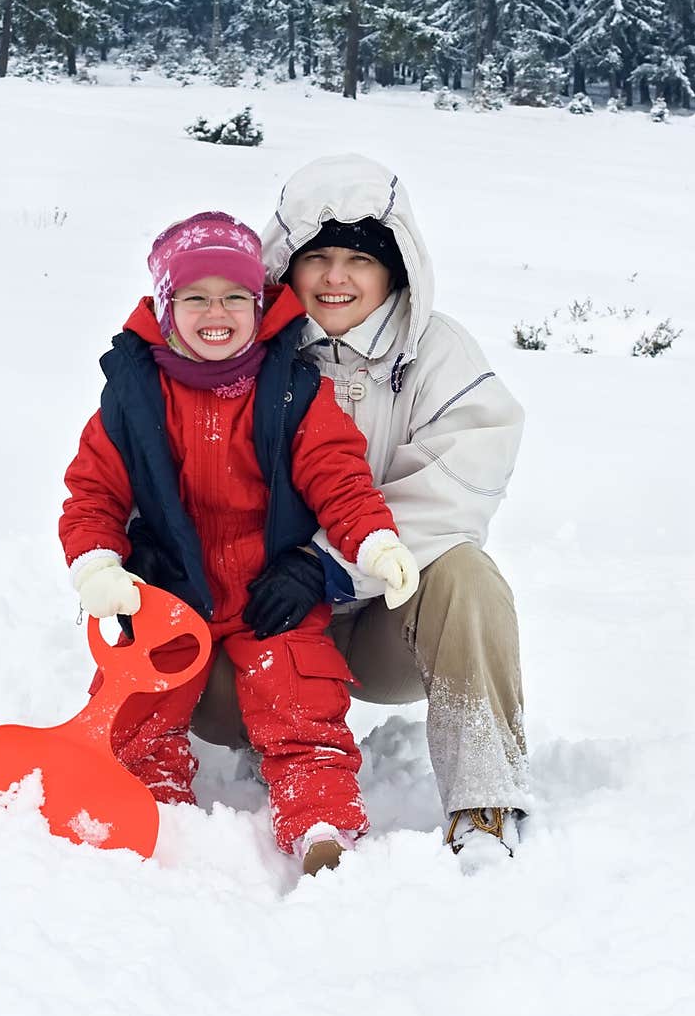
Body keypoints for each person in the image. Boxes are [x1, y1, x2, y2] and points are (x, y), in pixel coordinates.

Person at [190, 155, 528, 866]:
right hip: (259, 625)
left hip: (381, 626)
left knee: (468, 575)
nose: (336, 278)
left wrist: (326, 565)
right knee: (189, 672)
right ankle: (274, 741)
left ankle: (484, 799)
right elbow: (164, 451)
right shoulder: (236, 349)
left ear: (396, 269)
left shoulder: (440, 353)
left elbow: (459, 487)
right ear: (287, 265)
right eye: (318, 258)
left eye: (358, 260)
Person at [59, 210, 419, 876]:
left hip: (269, 592)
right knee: (139, 704)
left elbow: (338, 475)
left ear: (259, 306)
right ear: (168, 309)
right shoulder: (135, 395)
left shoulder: (292, 390)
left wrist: (373, 541)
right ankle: (152, 807)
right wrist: (99, 563)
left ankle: (321, 825)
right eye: (195, 297)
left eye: (233, 298)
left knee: (300, 700)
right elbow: (93, 492)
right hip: (173, 593)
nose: (215, 313)